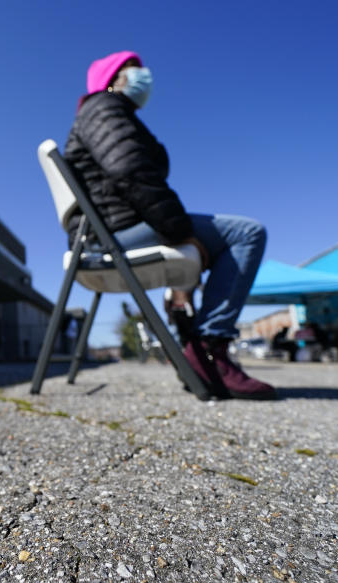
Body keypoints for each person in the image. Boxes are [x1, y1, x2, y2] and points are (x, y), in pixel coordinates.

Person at [64, 50, 276, 400]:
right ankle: (209, 350)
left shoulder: (103, 114)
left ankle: (198, 339)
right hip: (113, 234)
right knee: (246, 232)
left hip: (109, 230)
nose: (143, 76)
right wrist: (182, 234)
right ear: (113, 79)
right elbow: (131, 173)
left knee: (216, 237)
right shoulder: (104, 109)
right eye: (134, 70)